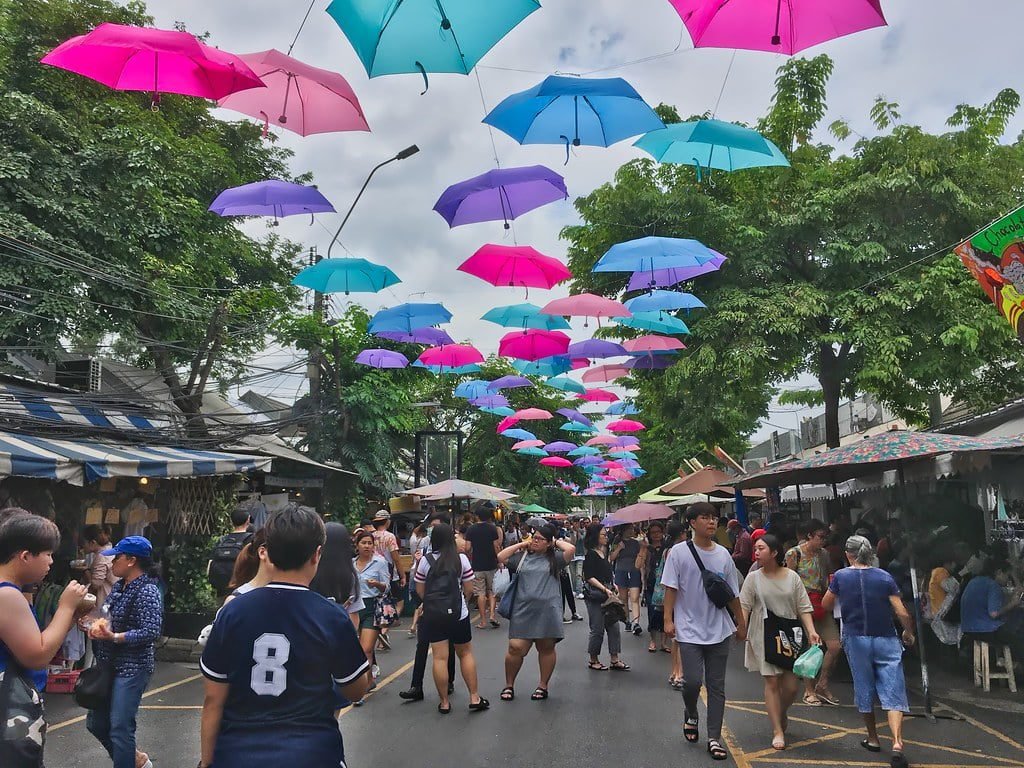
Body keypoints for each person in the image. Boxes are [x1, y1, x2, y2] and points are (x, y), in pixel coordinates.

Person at [198, 506, 369, 768]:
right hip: (313, 753)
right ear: (317, 554)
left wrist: (207, 762)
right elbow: (357, 689)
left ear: (267, 552)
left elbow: (213, 700)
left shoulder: (232, 612)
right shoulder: (331, 616)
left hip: (239, 754)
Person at [0, 508, 89, 768]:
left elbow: (31, 640)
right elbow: (37, 655)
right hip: (8, 709)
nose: (51, 562)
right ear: (25, 556)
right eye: (48, 554)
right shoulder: (7, 595)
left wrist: (69, 617)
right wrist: (66, 606)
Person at [662, 503, 747, 762]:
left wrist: (741, 623)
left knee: (717, 686)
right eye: (705, 517)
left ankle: (713, 738)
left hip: (719, 628)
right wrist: (668, 619)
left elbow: (731, 593)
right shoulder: (678, 552)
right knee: (692, 681)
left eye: (714, 518)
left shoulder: (723, 554)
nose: (711, 522)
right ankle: (691, 712)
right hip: (688, 628)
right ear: (691, 522)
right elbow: (671, 588)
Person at [823, 536, 915, 768]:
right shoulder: (884, 576)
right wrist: (908, 633)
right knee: (893, 688)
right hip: (886, 637)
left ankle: (873, 738)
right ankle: (897, 742)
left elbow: (825, 604)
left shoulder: (841, 577)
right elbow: (902, 612)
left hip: (856, 638)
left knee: (864, 686)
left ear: (848, 554)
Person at [85, 536, 163, 768]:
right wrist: (93, 625)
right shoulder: (120, 587)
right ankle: (136, 760)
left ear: (131, 560)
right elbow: (108, 617)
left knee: (120, 727)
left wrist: (115, 637)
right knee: (96, 723)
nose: (112, 563)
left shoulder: (147, 591)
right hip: (109, 665)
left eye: (116, 558)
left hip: (133, 667)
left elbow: (151, 631)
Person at [739, 534, 820, 751]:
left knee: (792, 687)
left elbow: (803, 606)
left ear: (774, 553)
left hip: (789, 635)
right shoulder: (753, 578)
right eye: (755, 549)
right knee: (772, 682)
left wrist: (811, 631)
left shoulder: (791, 577)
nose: (756, 552)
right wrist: (742, 630)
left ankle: (780, 712)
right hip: (762, 634)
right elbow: (744, 607)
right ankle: (777, 729)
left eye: (761, 548)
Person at [413, 524, 489, 714]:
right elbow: (469, 589)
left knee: (439, 657)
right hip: (458, 614)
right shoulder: (461, 559)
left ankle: (444, 702)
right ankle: (474, 697)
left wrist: (433, 603)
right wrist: (460, 600)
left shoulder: (425, 561)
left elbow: (420, 591)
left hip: (434, 615)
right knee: (465, 654)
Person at [497, 522, 575, 701]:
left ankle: (542, 685)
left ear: (549, 542)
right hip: (523, 611)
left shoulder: (555, 559)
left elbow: (570, 549)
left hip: (548, 612)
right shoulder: (522, 558)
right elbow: (501, 557)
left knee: (546, 648)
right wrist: (522, 544)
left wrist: (554, 542)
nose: (536, 541)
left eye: (540, 539)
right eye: (535, 537)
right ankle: (509, 684)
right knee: (515, 647)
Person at [785, 519, 842, 706]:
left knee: (834, 646)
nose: (823, 541)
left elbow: (826, 578)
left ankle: (822, 684)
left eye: (825, 537)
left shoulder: (823, 554)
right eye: (820, 537)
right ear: (809, 536)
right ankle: (809, 690)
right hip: (802, 605)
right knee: (811, 647)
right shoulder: (794, 554)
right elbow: (789, 581)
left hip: (821, 603)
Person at [582, 523, 629, 672]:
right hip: (596, 595)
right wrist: (603, 588)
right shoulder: (591, 554)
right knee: (597, 628)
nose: (606, 537)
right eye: (603, 534)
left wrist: (612, 585)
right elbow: (589, 577)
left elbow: (607, 572)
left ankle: (614, 659)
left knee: (613, 626)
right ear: (595, 536)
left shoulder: (604, 551)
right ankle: (593, 659)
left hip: (608, 592)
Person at [352, 530, 390, 703]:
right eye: (364, 543)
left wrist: (378, 585)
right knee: (355, 647)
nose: (367, 546)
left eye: (370, 543)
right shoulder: (350, 564)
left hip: (372, 607)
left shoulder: (380, 562)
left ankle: (364, 685)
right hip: (353, 608)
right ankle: (369, 679)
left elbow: (387, 588)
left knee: (365, 648)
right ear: (357, 545)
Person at [960, 559, 1024, 660]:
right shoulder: (993, 585)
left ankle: (1004, 661)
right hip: (985, 631)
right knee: (1019, 638)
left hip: (967, 629)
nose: (1008, 580)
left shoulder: (974, 581)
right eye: (1007, 576)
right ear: (999, 572)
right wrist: (1012, 604)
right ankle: (1016, 667)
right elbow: (993, 613)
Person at [651, 521, 686, 688]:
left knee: (676, 639)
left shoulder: (667, 550)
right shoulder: (676, 551)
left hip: (670, 597)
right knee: (679, 637)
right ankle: (678, 673)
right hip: (676, 597)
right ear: (682, 534)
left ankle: (675, 671)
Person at [370, 510, 404, 646]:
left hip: (374, 573)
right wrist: (402, 575)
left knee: (379, 603)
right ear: (388, 521)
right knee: (399, 602)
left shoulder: (371, 536)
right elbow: (396, 558)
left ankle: (380, 631)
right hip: (389, 574)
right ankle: (384, 629)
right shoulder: (390, 537)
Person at [465, 505, 502, 629]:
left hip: (477, 565)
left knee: (480, 593)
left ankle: (483, 621)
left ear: (477, 516)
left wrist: (471, 553)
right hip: (491, 564)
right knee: (492, 591)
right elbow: (496, 546)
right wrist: (500, 561)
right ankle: (492, 615)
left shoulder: (471, 529)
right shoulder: (492, 529)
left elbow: (467, 548)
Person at [636, 521, 671, 653]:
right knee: (652, 612)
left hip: (666, 585)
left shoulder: (667, 547)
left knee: (666, 613)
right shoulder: (647, 548)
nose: (656, 535)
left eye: (659, 532)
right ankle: (652, 640)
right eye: (653, 532)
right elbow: (638, 565)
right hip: (651, 585)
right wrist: (643, 549)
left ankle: (664, 642)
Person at [207, 507, 253, 600]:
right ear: (248, 520)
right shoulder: (252, 539)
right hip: (244, 589)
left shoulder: (222, 540)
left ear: (231, 521)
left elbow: (210, 565)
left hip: (222, 589)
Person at [609, 523, 643, 635]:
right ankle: (627, 620)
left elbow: (640, 557)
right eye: (629, 529)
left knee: (635, 597)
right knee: (623, 598)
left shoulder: (636, 543)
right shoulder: (617, 542)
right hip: (621, 571)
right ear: (624, 530)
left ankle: (636, 622)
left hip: (634, 571)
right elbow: (611, 558)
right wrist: (619, 548)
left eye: (632, 529)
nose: (632, 531)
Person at [926, 549, 963, 647]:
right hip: (943, 615)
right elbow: (952, 587)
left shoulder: (935, 572)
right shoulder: (940, 571)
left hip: (940, 614)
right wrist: (962, 573)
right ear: (948, 563)